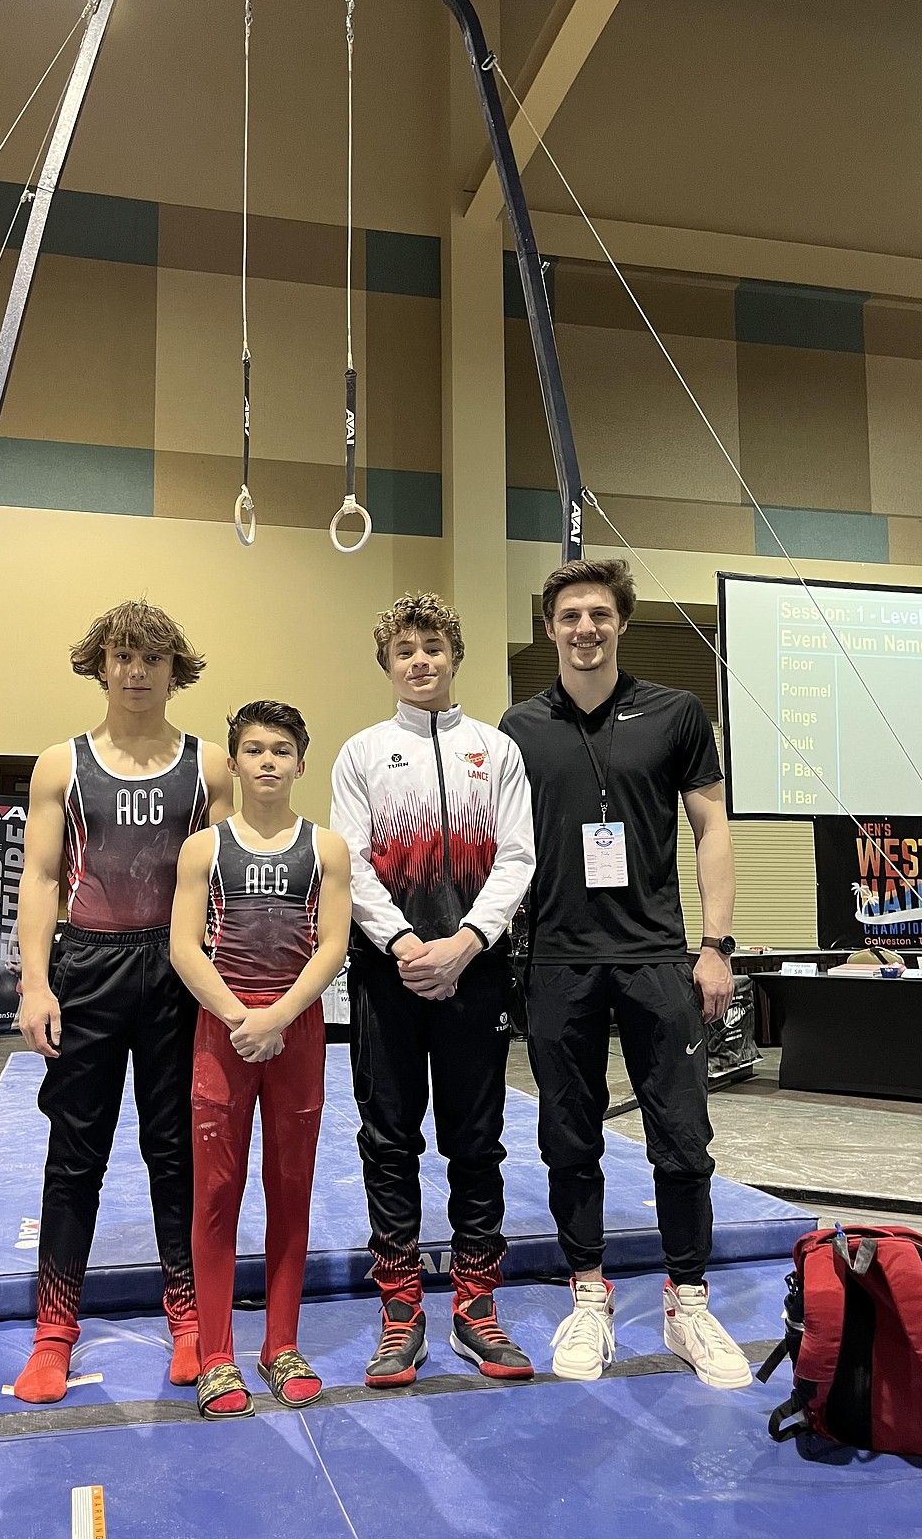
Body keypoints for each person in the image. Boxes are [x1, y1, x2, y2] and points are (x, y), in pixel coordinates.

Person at [499, 558, 751, 1389]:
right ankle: (589, 1293)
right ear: (550, 628)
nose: (585, 628)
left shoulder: (676, 713)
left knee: (682, 1140)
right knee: (568, 1140)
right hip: (557, 962)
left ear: (620, 624)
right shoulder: (519, 726)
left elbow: (712, 827)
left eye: (599, 614)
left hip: (654, 958)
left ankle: (687, 1301)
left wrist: (716, 945)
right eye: (569, 615)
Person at [12, 601, 234, 1404]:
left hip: (175, 969)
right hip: (93, 964)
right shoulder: (59, 767)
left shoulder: (209, 765)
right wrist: (36, 983)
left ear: (177, 669)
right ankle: (53, 1329)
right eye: (122, 656)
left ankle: (188, 1314)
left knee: (177, 1151)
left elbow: (222, 881)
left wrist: (231, 983)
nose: (137, 672)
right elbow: (40, 879)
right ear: (99, 664)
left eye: (153, 658)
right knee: (76, 1155)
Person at [330, 592, 536, 1387]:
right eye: (405, 650)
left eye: (434, 647)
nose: (420, 661)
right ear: (387, 665)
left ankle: (477, 1307)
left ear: (456, 656)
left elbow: (517, 857)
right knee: (389, 1143)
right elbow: (351, 862)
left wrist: (466, 943)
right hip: (389, 975)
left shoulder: (497, 750)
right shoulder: (362, 753)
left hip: (476, 975)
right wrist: (411, 944)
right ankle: (401, 1311)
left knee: (476, 1141)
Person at [171, 702, 351, 1419]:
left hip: (295, 1031)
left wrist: (277, 1017)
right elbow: (185, 946)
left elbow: (333, 945)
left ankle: (281, 1343)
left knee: (289, 1188)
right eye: (254, 750)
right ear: (235, 762)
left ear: (301, 763)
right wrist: (239, 1017)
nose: (269, 762)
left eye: (282, 750)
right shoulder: (204, 849)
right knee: (216, 1196)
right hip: (225, 1031)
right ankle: (217, 1354)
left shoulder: (327, 849)